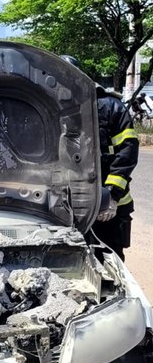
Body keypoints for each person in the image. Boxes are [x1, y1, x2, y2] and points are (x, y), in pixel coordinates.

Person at [61, 55, 139, 260]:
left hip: (109, 207)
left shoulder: (112, 108)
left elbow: (127, 154)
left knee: (109, 260)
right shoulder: (53, 112)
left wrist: (112, 196)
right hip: (65, 206)